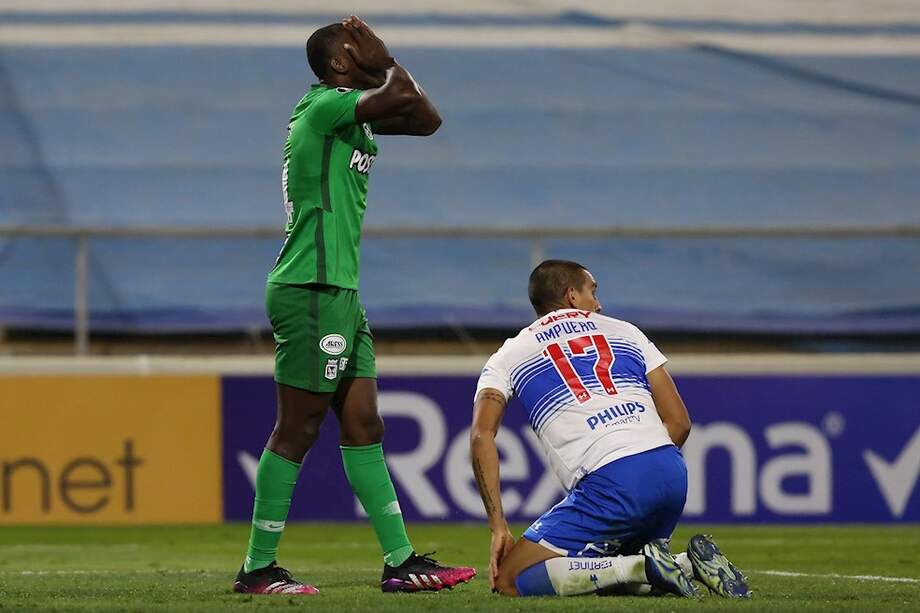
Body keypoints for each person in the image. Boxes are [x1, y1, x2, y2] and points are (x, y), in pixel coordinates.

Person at [233, 16, 475, 595]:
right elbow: (400, 92)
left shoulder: (349, 115)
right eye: (357, 46)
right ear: (340, 62)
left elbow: (426, 118)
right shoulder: (323, 108)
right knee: (298, 427)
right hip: (310, 288)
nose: (369, 50)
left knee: (365, 424)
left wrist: (384, 61)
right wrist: (385, 53)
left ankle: (401, 561)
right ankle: (257, 568)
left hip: (341, 291)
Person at [470, 259, 751, 598]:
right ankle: (685, 564)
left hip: (612, 483)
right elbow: (680, 422)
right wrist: (646, 468)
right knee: (596, 574)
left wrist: (498, 525)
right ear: (571, 295)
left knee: (510, 581)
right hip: (670, 473)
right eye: (593, 291)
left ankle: (640, 565)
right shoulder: (625, 331)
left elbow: (481, 435)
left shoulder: (509, 354)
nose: (598, 303)